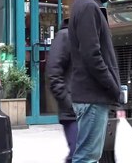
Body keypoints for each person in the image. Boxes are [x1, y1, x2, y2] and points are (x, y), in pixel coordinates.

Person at [68, 0, 125, 162]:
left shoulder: (87, 5)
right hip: (92, 97)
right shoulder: (88, 7)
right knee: (87, 158)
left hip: (91, 96)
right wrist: (113, 87)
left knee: (89, 156)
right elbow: (92, 55)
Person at [46, 18, 77, 163]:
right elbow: (53, 74)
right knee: (77, 155)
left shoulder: (90, 36)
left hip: (91, 108)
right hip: (73, 112)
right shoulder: (65, 35)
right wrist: (67, 102)